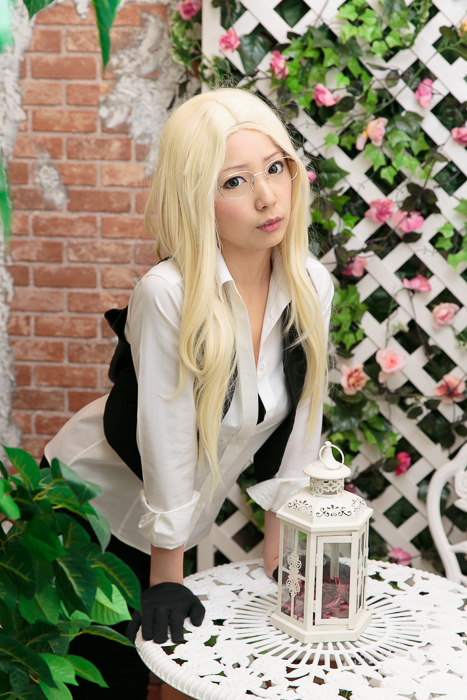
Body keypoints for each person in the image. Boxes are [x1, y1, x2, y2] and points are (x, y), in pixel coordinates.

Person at [43, 87, 333, 698]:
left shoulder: (310, 284)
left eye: (275, 168)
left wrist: (280, 553)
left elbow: (300, 424)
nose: (266, 196)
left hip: (163, 527)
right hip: (88, 511)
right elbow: (168, 435)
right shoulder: (168, 293)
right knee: (98, 684)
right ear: (196, 195)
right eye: (235, 182)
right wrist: (167, 575)